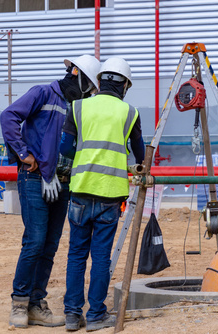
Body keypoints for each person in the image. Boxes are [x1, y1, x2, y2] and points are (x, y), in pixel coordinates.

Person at [0, 55, 101, 328]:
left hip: (63, 183)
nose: (89, 91)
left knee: (49, 245)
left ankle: (36, 304)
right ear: (75, 73)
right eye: (89, 85)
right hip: (34, 180)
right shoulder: (42, 93)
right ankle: (19, 304)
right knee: (34, 241)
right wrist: (24, 154)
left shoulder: (78, 106)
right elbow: (8, 116)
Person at [60, 57, 145, 332]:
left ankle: (72, 315)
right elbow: (140, 153)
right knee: (101, 257)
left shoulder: (78, 107)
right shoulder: (130, 113)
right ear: (125, 86)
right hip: (111, 195)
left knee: (76, 255)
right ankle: (96, 315)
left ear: (100, 81)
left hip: (81, 190)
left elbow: (66, 149)